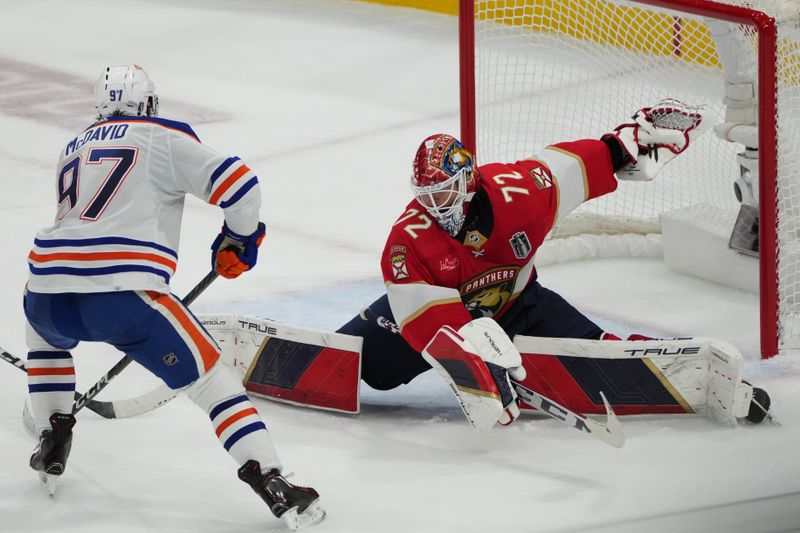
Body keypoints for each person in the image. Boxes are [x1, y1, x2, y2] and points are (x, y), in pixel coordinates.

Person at [337, 99, 767, 427]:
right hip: (446, 316)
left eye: (445, 192)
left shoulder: (520, 192)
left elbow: (575, 166)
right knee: (373, 370)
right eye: (426, 195)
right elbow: (433, 327)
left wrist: (627, 146)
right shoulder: (407, 243)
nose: (435, 205)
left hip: (522, 305)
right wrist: (477, 375)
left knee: (601, 356)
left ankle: (696, 377)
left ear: (468, 180)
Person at [24, 65, 324, 530]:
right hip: (124, 297)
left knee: (45, 343)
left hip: (46, 291)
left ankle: (52, 435)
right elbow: (241, 184)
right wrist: (239, 239)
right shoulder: (159, 135)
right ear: (149, 104)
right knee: (210, 378)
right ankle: (271, 480)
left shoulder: (73, 145)